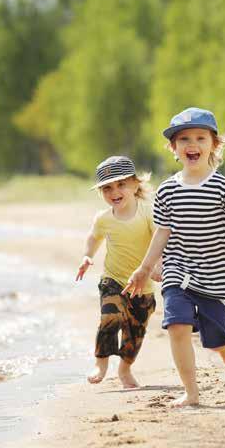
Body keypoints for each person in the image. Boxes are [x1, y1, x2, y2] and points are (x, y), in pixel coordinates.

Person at [123, 107, 225, 406]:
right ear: (173, 148)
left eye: (200, 137)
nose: (192, 144)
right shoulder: (167, 190)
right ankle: (191, 392)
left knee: (216, 338)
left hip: (217, 277)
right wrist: (145, 268)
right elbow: (161, 233)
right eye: (184, 139)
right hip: (177, 271)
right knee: (177, 326)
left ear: (214, 144)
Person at [76, 155, 160, 388]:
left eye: (121, 184)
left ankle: (124, 370)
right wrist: (87, 256)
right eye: (107, 188)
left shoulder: (148, 213)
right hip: (113, 280)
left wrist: (157, 265)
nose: (114, 192)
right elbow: (94, 237)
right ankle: (101, 363)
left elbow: (159, 241)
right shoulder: (103, 218)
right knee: (110, 317)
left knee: (135, 332)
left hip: (143, 286)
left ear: (135, 184)